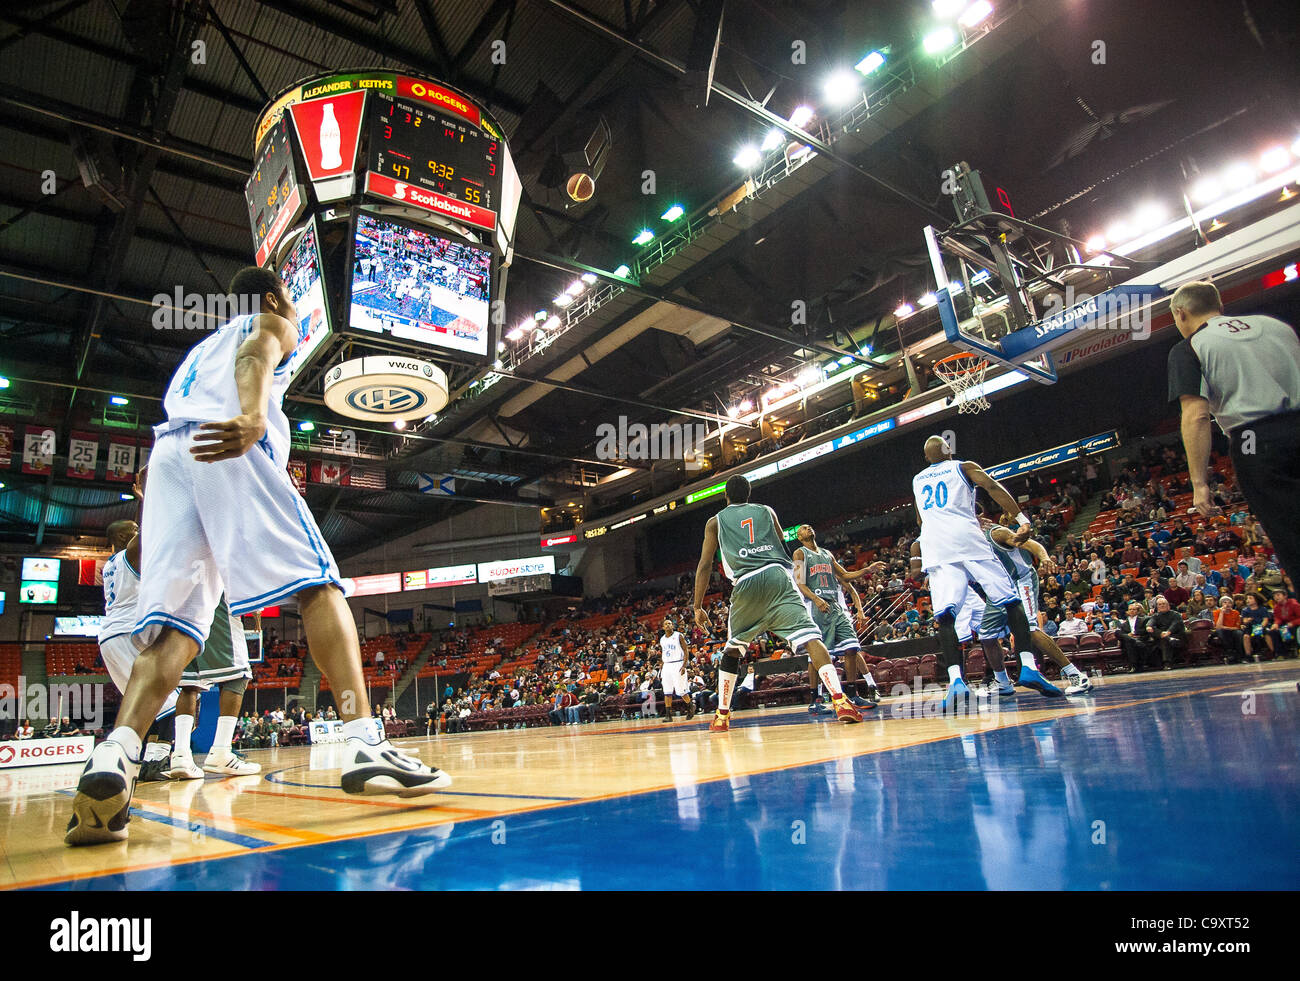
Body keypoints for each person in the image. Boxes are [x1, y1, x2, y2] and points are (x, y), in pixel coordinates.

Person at [65, 267, 449, 847]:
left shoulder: (198, 351)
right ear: (273, 298)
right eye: (290, 301)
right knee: (320, 585)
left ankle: (116, 753)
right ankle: (368, 743)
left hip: (171, 456)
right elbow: (257, 354)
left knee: (175, 635)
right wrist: (249, 415)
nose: (292, 312)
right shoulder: (267, 321)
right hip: (227, 442)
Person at [692, 475, 863, 733]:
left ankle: (722, 715)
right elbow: (781, 541)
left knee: (732, 651)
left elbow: (705, 565)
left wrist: (697, 606)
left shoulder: (715, 522)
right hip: (778, 576)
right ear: (749, 495)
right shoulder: (767, 511)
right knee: (811, 638)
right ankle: (841, 701)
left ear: (725, 496)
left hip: (746, 582)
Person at [909, 436, 1057, 711]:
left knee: (945, 616)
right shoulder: (962, 467)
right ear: (949, 450)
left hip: (935, 546)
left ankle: (956, 682)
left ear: (927, 458)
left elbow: (919, 520)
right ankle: (1027, 666)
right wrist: (1021, 519)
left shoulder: (917, 480)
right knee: (1010, 600)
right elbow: (991, 485)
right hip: (966, 539)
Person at [1168, 281, 1300, 586]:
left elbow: (1196, 415)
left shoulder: (1189, 347)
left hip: (1255, 436)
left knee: (1291, 533)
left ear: (1180, 312)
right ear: (1220, 305)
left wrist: (1199, 483)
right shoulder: (1275, 326)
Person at [976, 513, 1091, 696]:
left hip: (1022, 581)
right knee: (987, 636)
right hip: (999, 587)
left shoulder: (995, 533)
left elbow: (1033, 545)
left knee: (1029, 629)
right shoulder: (966, 539)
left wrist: (1045, 558)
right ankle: (1002, 682)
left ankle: (1076, 675)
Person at [792, 523, 886, 711]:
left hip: (835, 606)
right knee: (817, 655)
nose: (808, 528)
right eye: (803, 528)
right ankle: (815, 699)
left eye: (809, 526)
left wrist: (868, 570)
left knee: (852, 648)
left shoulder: (827, 554)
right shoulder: (799, 553)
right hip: (816, 606)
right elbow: (799, 583)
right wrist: (816, 599)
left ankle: (853, 694)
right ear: (799, 537)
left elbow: (845, 576)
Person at [656, 617, 696, 721]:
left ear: (672, 626)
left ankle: (690, 707)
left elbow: (686, 650)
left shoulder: (679, 636)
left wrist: (684, 665)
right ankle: (668, 715)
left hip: (678, 664)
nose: (668, 625)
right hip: (667, 665)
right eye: (666, 624)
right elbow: (664, 653)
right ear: (663, 627)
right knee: (667, 691)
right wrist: (662, 665)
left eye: (670, 623)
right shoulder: (662, 639)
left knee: (681, 690)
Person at [1143, 596, 1187, 670]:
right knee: (1152, 631)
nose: (1162, 605)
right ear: (1157, 607)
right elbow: (1150, 622)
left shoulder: (1175, 614)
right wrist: (1149, 626)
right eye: (1159, 604)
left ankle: (1167, 663)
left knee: (1164, 640)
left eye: (1163, 604)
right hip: (1162, 636)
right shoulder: (1156, 616)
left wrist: (1168, 632)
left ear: (1168, 606)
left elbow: (1175, 625)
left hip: (1176, 637)